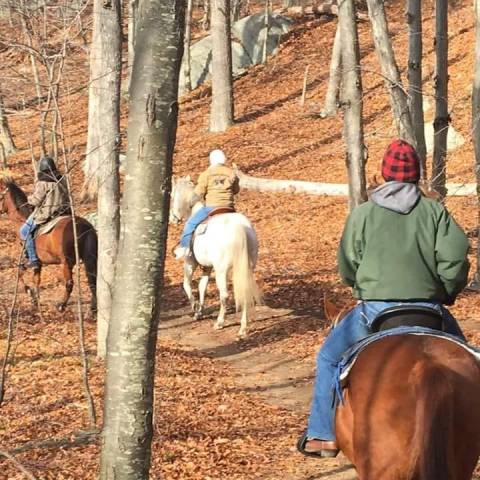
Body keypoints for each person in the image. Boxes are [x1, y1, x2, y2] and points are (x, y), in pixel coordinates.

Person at [299, 139, 470, 458]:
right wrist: (447, 290)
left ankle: (321, 434)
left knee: (328, 358)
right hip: (428, 310)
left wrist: (359, 283)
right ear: (416, 175)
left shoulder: (363, 213)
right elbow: (456, 256)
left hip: (374, 312)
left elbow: (347, 262)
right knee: (472, 362)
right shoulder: (435, 212)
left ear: (384, 173)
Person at [174, 149, 240, 259]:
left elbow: (199, 192)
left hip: (211, 207)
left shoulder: (206, 174)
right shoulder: (231, 173)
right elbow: (236, 190)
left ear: (211, 160)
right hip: (229, 208)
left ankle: (184, 248)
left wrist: (192, 201)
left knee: (190, 224)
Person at [20, 155, 70, 269]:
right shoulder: (62, 179)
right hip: (63, 212)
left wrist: (28, 199)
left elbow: (37, 200)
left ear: (41, 168)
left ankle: (33, 259)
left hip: (47, 214)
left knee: (24, 230)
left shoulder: (43, 182)